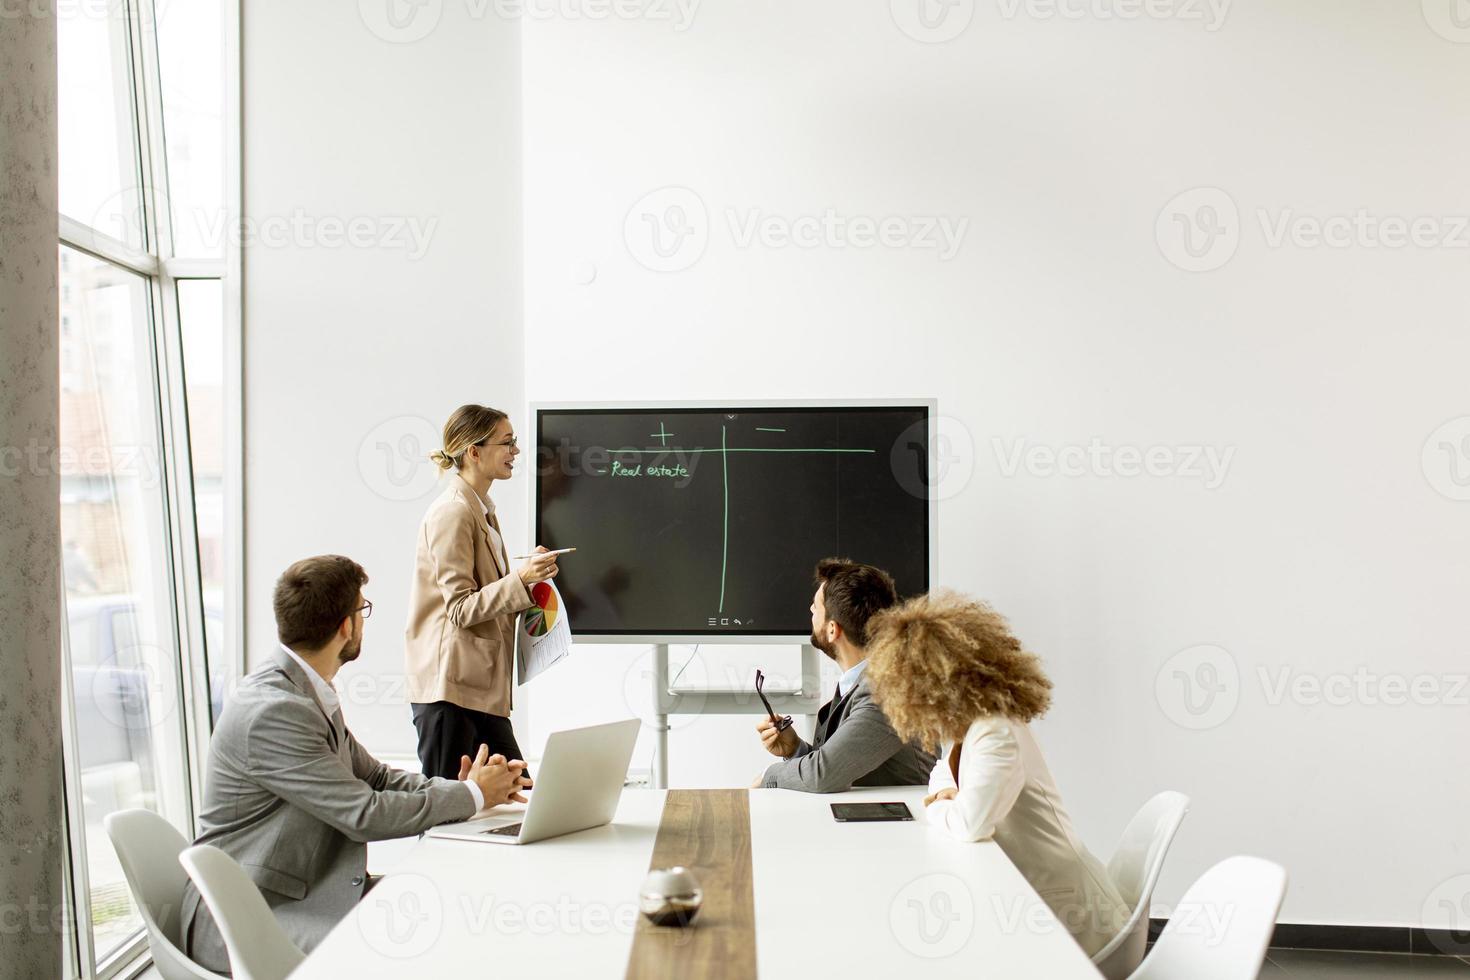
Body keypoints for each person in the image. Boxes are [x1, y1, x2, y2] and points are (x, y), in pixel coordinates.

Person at [182, 555, 530, 972]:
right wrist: (472, 794)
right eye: (362, 609)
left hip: (302, 894)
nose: (363, 621)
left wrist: (467, 791)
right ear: (346, 626)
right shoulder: (276, 710)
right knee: (426, 944)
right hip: (250, 915)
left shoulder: (303, 690)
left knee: (454, 906)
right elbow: (363, 813)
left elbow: (376, 777)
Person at [864, 591, 1128, 958]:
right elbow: (942, 774)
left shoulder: (995, 730)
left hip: (1073, 923)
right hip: (1032, 902)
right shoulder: (970, 727)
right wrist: (947, 796)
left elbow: (972, 822)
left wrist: (937, 806)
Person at [406, 404, 559, 780]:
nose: (516, 452)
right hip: (451, 694)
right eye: (507, 442)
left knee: (518, 793)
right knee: (448, 814)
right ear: (474, 452)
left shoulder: (482, 511)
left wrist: (530, 580)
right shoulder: (453, 513)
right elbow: (459, 609)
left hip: (478, 691)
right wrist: (521, 579)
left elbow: (489, 597)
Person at [752, 558, 935, 792]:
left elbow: (823, 775)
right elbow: (841, 767)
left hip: (896, 825)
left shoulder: (887, 692)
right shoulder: (866, 681)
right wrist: (795, 749)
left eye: (816, 607)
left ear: (832, 630)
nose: (810, 610)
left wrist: (767, 777)